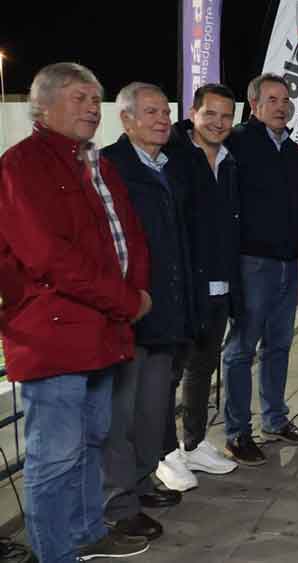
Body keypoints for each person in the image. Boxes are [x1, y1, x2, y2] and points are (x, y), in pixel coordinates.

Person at [0, 62, 151, 561]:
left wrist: (137, 291)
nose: (91, 107)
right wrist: (128, 300)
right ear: (41, 107)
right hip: (54, 332)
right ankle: (55, 553)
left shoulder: (94, 162)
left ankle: (88, 533)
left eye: (95, 98)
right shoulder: (22, 165)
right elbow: (49, 257)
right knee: (54, 455)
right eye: (79, 98)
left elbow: (128, 235)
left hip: (100, 328)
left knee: (92, 440)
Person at [101, 82, 194, 541]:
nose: (163, 120)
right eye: (152, 112)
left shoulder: (169, 168)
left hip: (166, 312)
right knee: (122, 415)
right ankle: (118, 505)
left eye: (166, 112)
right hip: (129, 314)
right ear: (127, 119)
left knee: (152, 412)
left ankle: (140, 484)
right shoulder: (109, 167)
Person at [223, 73, 298, 465]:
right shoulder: (237, 143)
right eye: (272, 100)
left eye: (285, 99)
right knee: (241, 350)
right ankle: (237, 432)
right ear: (255, 106)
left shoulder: (294, 153)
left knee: (279, 346)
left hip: (287, 263)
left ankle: (275, 420)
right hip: (250, 263)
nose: (281, 106)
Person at [156, 83, 242, 492]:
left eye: (226, 116)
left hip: (220, 285)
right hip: (184, 288)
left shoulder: (229, 160)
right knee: (169, 372)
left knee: (203, 368)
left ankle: (193, 442)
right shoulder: (171, 157)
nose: (219, 122)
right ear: (193, 112)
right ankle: (164, 453)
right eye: (211, 114)